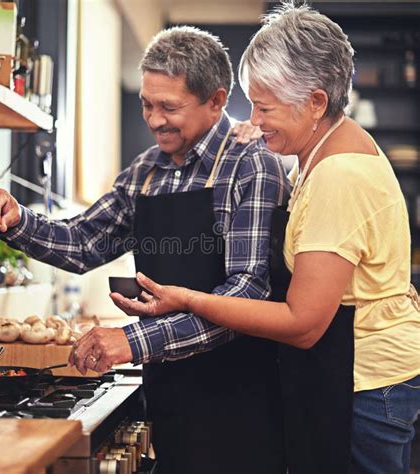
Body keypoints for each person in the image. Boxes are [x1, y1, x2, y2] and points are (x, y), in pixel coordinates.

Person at [110, 4, 420, 474]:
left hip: (366, 388)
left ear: (316, 102)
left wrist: (188, 299)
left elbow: (303, 322)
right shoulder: (324, 148)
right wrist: (265, 126)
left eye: (265, 106)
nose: (253, 118)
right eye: (253, 103)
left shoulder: (339, 177)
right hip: (348, 375)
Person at [0, 26, 290, 474]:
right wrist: (16, 220)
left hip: (241, 398)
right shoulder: (144, 171)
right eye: (146, 103)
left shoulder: (251, 165)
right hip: (168, 392)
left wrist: (131, 341)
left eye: (169, 107)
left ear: (216, 101)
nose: (154, 119)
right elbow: (83, 243)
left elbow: (246, 294)